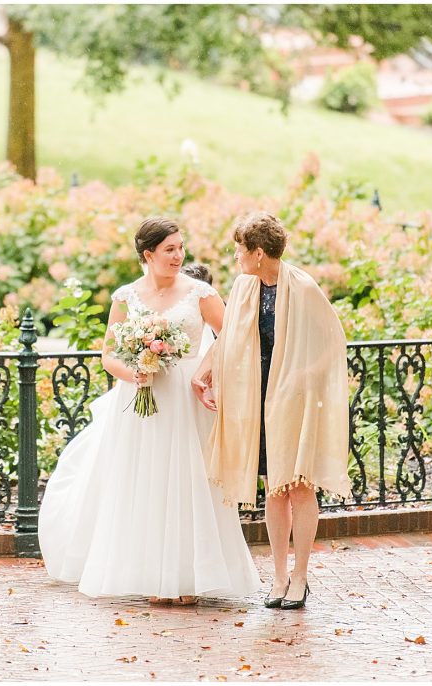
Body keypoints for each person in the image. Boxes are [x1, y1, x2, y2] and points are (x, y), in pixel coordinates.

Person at [39, 217, 261, 605]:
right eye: (170, 250)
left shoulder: (200, 293)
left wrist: (204, 370)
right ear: (148, 254)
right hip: (141, 402)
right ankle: (153, 578)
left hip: (187, 400)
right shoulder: (126, 297)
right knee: (147, 484)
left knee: (189, 484)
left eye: (181, 248)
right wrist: (135, 372)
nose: (179, 256)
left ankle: (190, 579)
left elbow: (235, 334)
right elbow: (108, 354)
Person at [192, 211, 351, 610]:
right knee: (272, 488)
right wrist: (205, 371)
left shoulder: (303, 287)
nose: (236, 259)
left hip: (292, 399)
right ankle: (278, 576)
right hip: (254, 394)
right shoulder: (246, 287)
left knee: (297, 485)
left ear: (259, 253)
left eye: (240, 252)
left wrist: (302, 375)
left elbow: (333, 343)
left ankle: (301, 576)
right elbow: (230, 336)